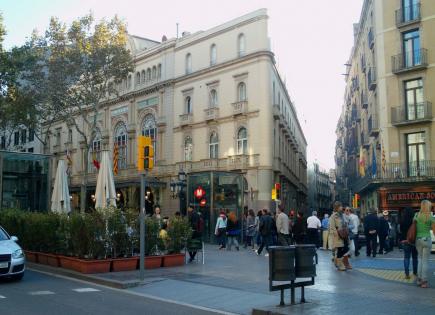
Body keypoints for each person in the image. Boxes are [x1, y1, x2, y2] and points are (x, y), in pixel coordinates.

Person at [414, 200, 435, 288]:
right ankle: (424, 281)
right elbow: (434, 231)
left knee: (420, 260)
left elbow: (414, 227)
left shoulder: (416, 215)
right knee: (425, 261)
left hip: (418, 240)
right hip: (427, 239)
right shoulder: (430, 217)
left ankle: (419, 279)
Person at [329, 201, 349, 271]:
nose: (342, 207)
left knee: (346, 248)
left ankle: (336, 260)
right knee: (340, 249)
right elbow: (332, 227)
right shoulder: (333, 216)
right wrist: (336, 234)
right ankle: (340, 264)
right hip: (338, 235)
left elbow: (346, 223)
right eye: (340, 206)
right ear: (337, 207)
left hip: (344, 234)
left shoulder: (342, 215)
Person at [400, 207, 418, 280]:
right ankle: (415, 272)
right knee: (415, 257)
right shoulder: (415, 221)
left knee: (406, 257)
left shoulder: (402, 221)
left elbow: (400, 230)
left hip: (405, 241)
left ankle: (407, 274)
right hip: (414, 241)